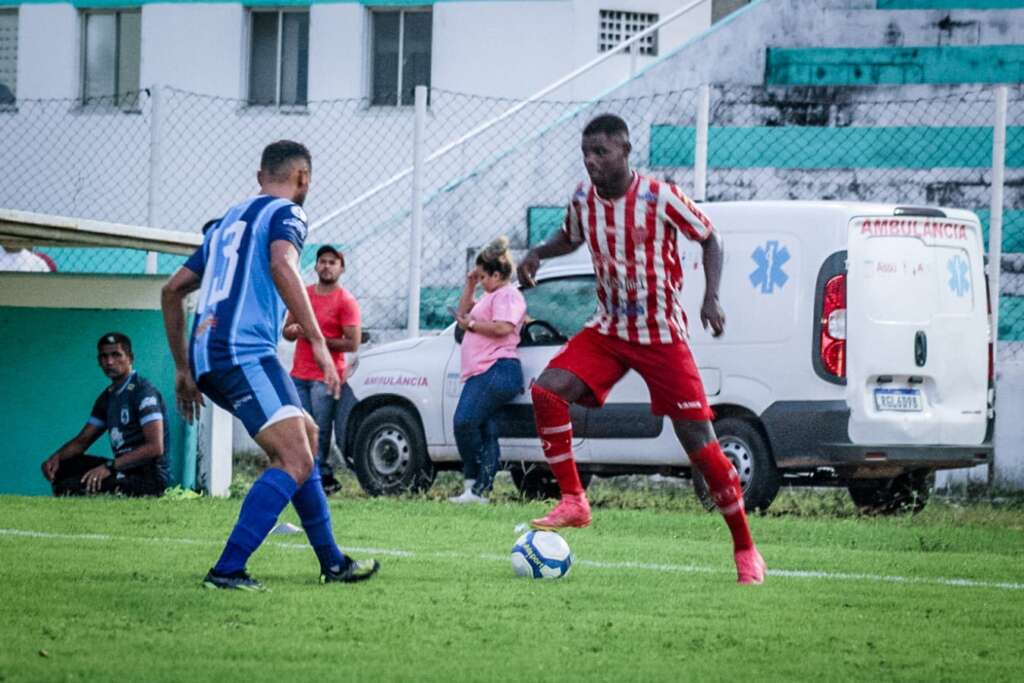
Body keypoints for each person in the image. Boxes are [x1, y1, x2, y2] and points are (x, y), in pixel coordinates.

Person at [516, 114, 766, 585]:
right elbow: (569, 236)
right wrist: (537, 254)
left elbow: (710, 238)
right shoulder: (583, 200)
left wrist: (711, 296)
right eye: (586, 154)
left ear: (626, 151)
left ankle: (745, 547)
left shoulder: (660, 197)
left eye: (601, 153)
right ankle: (574, 500)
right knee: (548, 391)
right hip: (610, 330)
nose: (592, 162)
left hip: (661, 336)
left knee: (703, 448)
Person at [161, 140, 379, 591]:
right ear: (303, 178)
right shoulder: (288, 213)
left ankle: (333, 562)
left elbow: (171, 290)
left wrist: (183, 367)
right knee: (295, 457)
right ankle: (227, 570)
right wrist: (318, 340)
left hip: (208, 352)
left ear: (262, 176)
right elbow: (283, 264)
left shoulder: (226, 223)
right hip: (242, 352)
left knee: (308, 437)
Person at [41, 332, 169, 497]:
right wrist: (55, 458)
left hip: (148, 477)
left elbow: (155, 447)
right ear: (98, 361)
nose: (109, 362)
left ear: (130, 357)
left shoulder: (143, 392)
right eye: (104, 356)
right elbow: (83, 441)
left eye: (116, 355)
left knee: (71, 487)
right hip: (122, 469)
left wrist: (109, 467)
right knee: (64, 466)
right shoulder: (107, 398)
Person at [448, 236, 526, 504]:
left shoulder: (507, 295)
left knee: (464, 421)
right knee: (485, 427)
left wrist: (472, 326)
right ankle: (478, 490)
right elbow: (462, 316)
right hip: (483, 369)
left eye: (482, 277)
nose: (480, 281)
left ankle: (476, 482)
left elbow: (503, 327)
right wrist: (469, 286)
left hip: (497, 368)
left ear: (496, 274)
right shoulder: (488, 296)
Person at [283, 244, 361, 495]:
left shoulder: (345, 301)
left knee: (321, 430)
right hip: (299, 374)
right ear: (315, 265)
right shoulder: (303, 294)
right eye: (322, 261)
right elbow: (286, 332)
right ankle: (304, 474)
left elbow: (353, 342)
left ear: (341, 268)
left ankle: (318, 476)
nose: (326, 266)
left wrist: (317, 338)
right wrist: (295, 332)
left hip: (326, 376)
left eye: (332, 262)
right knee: (297, 427)